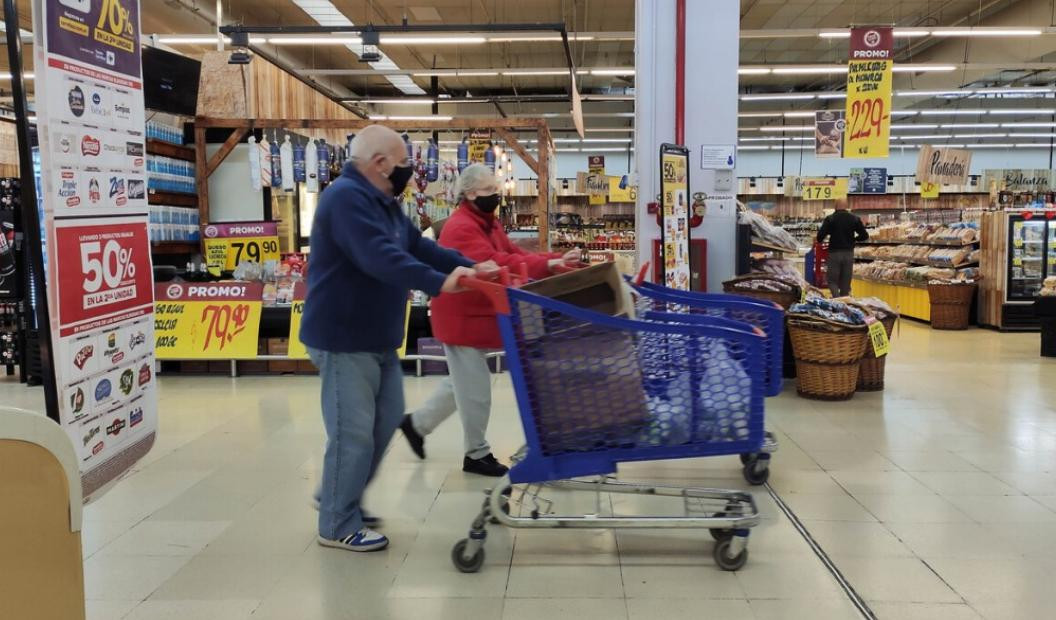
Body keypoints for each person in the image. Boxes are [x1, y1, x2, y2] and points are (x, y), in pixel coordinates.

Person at [300, 125, 492, 553]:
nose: (409, 171)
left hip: (378, 336)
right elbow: (381, 259)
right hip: (343, 336)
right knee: (353, 433)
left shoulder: (384, 203)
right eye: (405, 164)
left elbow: (420, 247)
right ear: (380, 164)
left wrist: (470, 267)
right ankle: (336, 522)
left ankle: (336, 497)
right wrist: (443, 283)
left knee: (385, 422)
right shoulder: (346, 200)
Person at [399, 163, 582, 477]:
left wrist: (551, 261)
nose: (496, 196)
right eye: (488, 191)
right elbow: (496, 261)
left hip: (479, 313)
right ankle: (476, 454)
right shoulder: (461, 227)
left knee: (462, 382)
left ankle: (417, 424)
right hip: (461, 316)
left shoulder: (488, 223)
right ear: (470, 194)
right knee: (475, 389)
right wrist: (548, 264)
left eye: (497, 190)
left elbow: (512, 251)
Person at [817, 198, 869, 297]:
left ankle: (837, 302)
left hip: (834, 254)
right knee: (845, 283)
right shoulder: (854, 219)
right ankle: (844, 304)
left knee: (832, 281)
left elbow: (820, 237)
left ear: (835, 206)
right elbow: (865, 236)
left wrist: (828, 234)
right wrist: (854, 239)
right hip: (848, 254)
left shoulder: (830, 219)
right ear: (846, 206)